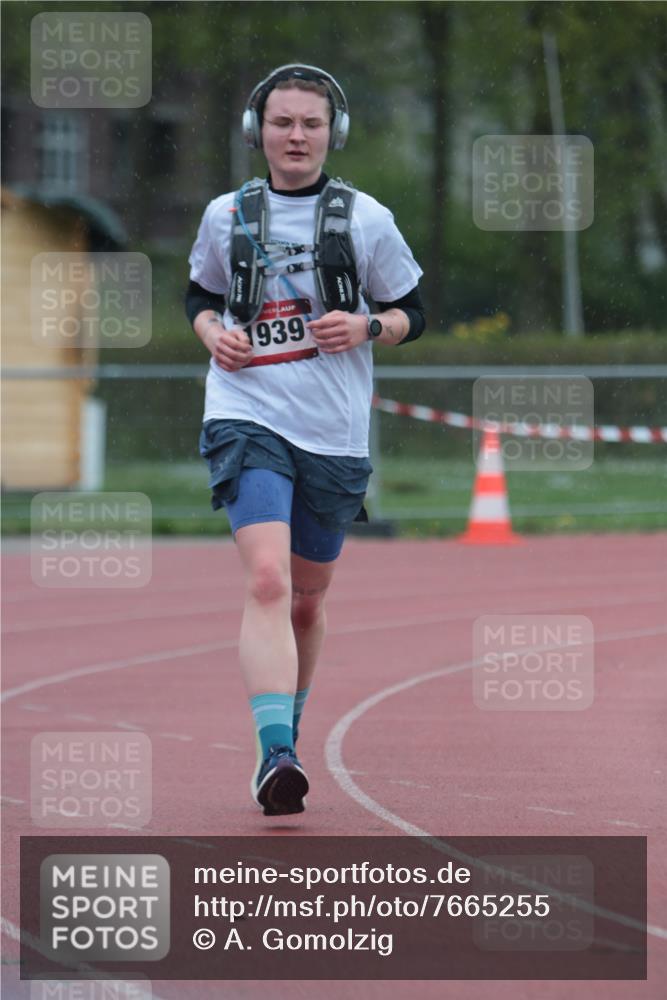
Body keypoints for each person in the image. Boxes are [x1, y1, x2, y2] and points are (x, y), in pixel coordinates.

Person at [185, 64, 425, 817]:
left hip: (332, 431)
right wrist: (211, 334)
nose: (296, 136)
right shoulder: (226, 215)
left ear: (333, 133)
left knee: (306, 600)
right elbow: (200, 295)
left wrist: (367, 325)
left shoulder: (367, 220)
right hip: (246, 411)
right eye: (282, 122)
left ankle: (285, 726)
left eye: (311, 124)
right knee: (267, 579)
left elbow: (413, 311)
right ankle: (277, 754)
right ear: (257, 131)